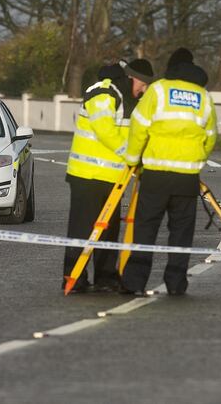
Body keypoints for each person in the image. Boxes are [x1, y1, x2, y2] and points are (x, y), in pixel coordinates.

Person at [121, 48, 217, 296]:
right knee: (181, 234)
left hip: (156, 175)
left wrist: (133, 160)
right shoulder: (203, 96)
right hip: (187, 178)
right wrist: (196, 161)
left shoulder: (159, 90)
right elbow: (210, 137)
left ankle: (135, 282)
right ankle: (176, 284)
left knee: (145, 229)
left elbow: (139, 127)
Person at [63, 60, 154, 293]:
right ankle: (74, 277)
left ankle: (105, 277)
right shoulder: (103, 92)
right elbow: (104, 129)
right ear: (131, 78)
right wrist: (131, 155)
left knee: (108, 230)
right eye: (142, 84)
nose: (143, 90)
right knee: (82, 229)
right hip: (87, 175)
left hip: (113, 178)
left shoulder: (129, 100)